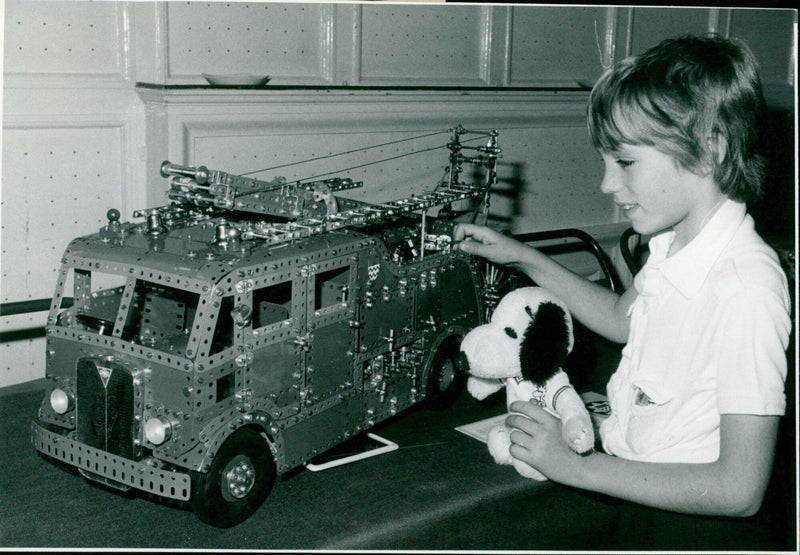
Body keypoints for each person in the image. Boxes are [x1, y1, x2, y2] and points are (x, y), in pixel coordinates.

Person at [453, 34, 792, 518]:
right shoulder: (675, 243)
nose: (608, 184)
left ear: (710, 148)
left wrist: (573, 466)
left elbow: (739, 489)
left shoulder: (746, 288)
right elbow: (621, 317)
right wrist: (521, 257)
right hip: (636, 484)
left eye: (626, 162)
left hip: (689, 530)